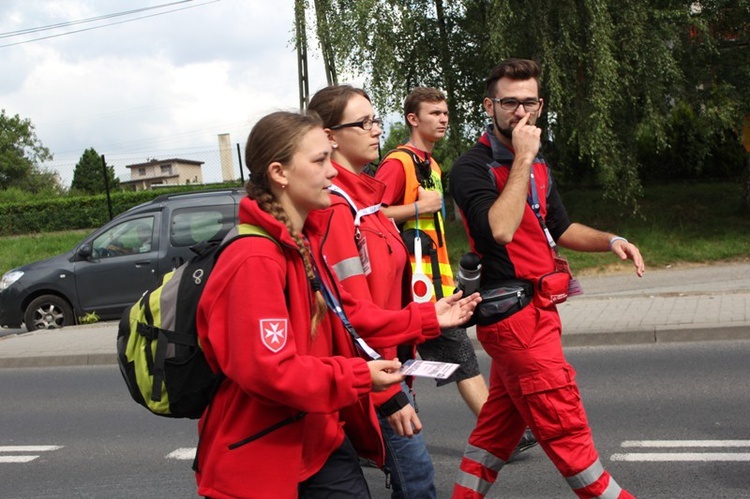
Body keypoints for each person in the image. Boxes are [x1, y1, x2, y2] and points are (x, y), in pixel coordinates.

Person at [194, 110, 480, 498]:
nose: (332, 171)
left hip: (317, 441)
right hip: (262, 456)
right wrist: (360, 378)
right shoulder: (255, 259)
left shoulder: (301, 242)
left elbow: (348, 317)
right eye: (319, 160)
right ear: (279, 173)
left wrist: (428, 317)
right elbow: (268, 371)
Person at [449, 59, 644, 498]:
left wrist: (612, 239)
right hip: (513, 321)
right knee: (567, 431)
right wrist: (522, 157)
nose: (520, 113)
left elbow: (558, 227)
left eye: (529, 103)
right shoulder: (472, 167)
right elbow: (500, 228)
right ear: (489, 106)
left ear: (540, 106)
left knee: (494, 433)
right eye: (509, 103)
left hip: (541, 312)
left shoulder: (537, 165)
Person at [374, 87, 537, 457]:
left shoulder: (430, 165)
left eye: (445, 112)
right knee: (457, 352)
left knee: (406, 360)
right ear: (413, 119)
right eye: (434, 113)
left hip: (432, 279)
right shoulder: (398, 162)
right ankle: (500, 436)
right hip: (412, 285)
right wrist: (417, 208)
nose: (443, 119)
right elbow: (371, 216)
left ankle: (379, 435)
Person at [308, 84, 438, 498]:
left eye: (375, 119)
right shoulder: (336, 209)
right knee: (418, 483)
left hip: (390, 364)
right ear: (330, 136)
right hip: (371, 374)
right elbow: (347, 316)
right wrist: (385, 395)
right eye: (363, 122)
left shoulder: (366, 201)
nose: (376, 129)